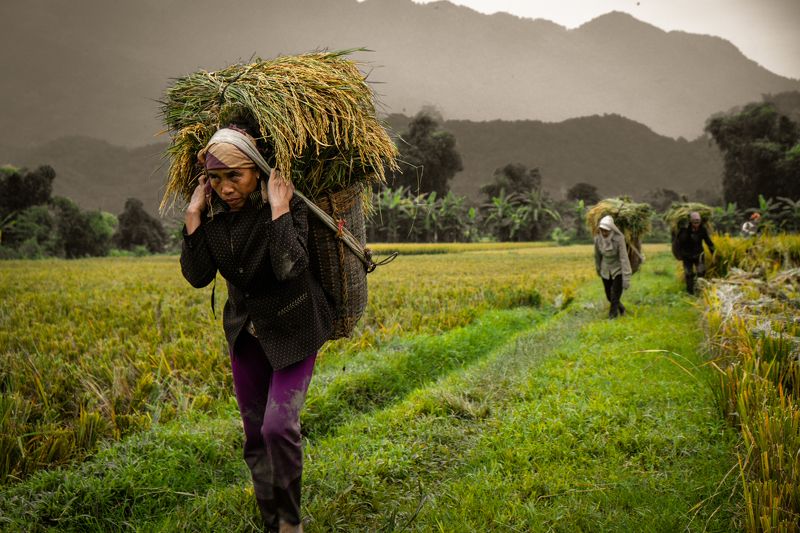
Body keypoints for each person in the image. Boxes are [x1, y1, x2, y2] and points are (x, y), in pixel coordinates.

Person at [180, 126, 333, 533]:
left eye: (236, 176)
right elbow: (198, 276)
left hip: (295, 330)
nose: (226, 188)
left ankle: (291, 522)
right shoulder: (213, 218)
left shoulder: (288, 206)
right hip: (247, 336)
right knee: (254, 438)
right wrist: (193, 216)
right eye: (216, 179)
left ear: (258, 171)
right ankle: (271, 522)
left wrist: (280, 209)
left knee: (278, 428)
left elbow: (290, 268)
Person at [594, 215, 632, 319]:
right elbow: (597, 256)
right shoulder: (598, 239)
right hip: (605, 269)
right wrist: (598, 269)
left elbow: (624, 258)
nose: (604, 233)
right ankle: (622, 309)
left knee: (615, 295)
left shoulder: (619, 239)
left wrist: (626, 277)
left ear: (611, 229)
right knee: (609, 296)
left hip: (617, 269)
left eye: (606, 231)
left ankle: (612, 317)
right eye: (602, 230)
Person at [674, 211, 715, 295]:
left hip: (699, 255)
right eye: (694, 222)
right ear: (690, 222)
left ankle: (700, 291)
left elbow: (708, 241)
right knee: (689, 274)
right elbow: (678, 243)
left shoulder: (702, 229)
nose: (696, 224)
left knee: (701, 272)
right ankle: (690, 292)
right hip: (687, 256)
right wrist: (679, 255)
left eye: (698, 222)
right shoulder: (684, 230)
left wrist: (714, 252)